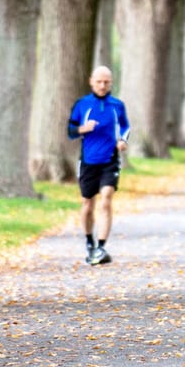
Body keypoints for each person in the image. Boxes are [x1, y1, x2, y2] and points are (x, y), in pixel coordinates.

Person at [66, 65, 130, 266]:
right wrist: (83, 128)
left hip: (109, 160)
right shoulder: (82, 104)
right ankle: (89, 242)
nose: (103, 85)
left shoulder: (117, 105)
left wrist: (123, 141)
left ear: (111, 83)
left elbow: (125, 126)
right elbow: (70, 129)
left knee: (106, 200)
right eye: (99, 82)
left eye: (106, 82)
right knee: (87, 204)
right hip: (88, 162)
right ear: (91, 81)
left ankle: (101, 246)